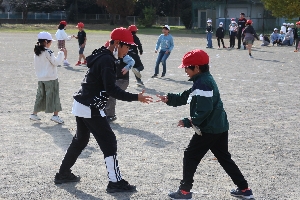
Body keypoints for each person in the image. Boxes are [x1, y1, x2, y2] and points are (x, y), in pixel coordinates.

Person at [54, 28, 153, 193]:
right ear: (116, 43)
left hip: (82, 103)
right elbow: (112, 90)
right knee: (109, 141)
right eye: (126, 46)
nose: (128, 50)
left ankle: (63, 173)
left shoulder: (104, 54)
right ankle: (115, 182)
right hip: (89, 106)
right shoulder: (107, 60)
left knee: (80, 140)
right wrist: (136, 97)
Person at [156, 49, 254, 200]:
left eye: (187, 68)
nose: (185, 71)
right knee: (224, 158)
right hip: (219, 126)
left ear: (196, 67)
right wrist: (169, 98)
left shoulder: (202, 83)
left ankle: (184, 191)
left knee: (190, 156)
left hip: (209, 129)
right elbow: (188, 96)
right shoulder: (203, 79)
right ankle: (244, 189)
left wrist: (189, 121)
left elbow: (205, 109)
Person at [30, 31, 66, 124]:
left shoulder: (37, 51)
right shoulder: (48, 51)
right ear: (46, 41)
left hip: (41, 78)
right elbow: (56, 62)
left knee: (40, 96)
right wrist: (61, 53)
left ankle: (34, 114)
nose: (51, 43)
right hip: (51, 77)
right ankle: (55, 115)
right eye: (50, 41)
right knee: (54, 96)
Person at [105, 40, 135, 122]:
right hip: (115, 80)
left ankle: (111, 115)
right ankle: (105, 112)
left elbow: (132, 61)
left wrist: (127, 67)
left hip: (123, 81)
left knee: (112, 94)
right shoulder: (110, 57)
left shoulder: (123, 56)